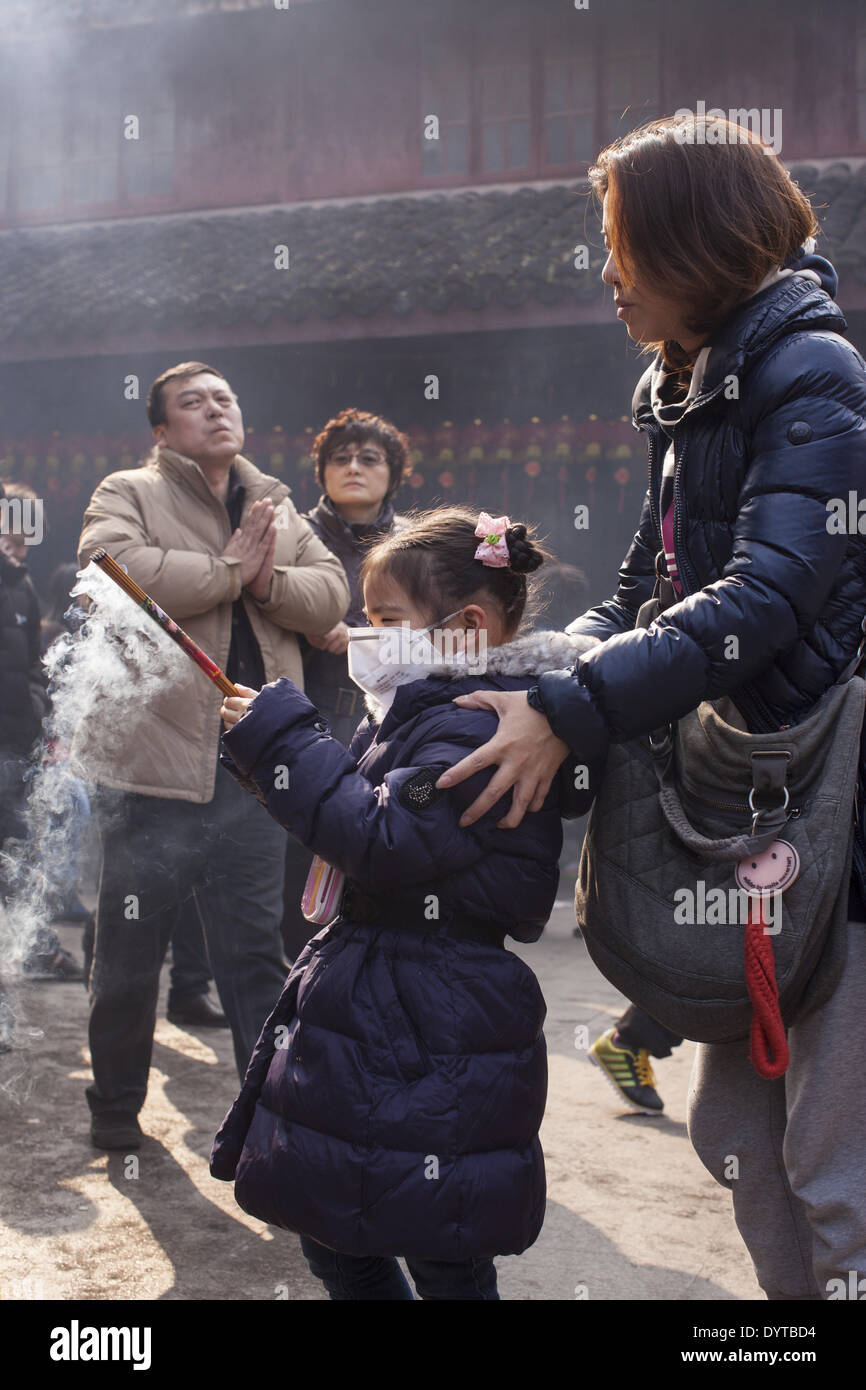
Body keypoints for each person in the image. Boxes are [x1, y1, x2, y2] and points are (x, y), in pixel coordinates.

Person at [434, 114, 866, 1300]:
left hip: (832, 807)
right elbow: (643, 587)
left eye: (620, 241)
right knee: (734, 1131)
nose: (608, 274)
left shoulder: (808, 369)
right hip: (752, 800)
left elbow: (767, 593)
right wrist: (530, 670)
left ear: (696, 238)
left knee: (833, 1163)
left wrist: (571, 707)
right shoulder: (685, 383)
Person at [209, 505, 602, 1300]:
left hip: (436, 1010)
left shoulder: (477, 723)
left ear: (467, 626)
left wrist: (286, 742)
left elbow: (385, 841)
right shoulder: (422, 708)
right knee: (331, 1222)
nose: (365, 632)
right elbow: (348, 812)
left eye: (387, 618)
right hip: (380, 983)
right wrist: (270, 755)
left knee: (438, 1239)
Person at [76, 362, 350, 1151]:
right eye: (191, 403)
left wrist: (262, 583)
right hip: (153, 767)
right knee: (130, 957)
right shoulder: (127, 491)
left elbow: (328, 594)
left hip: (255, 774)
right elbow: (111, 576)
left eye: (224, 397)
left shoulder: (276, 504)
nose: (214, 410)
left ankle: (266, 1119)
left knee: (255, 959)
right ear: (161, 431)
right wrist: (233, 568)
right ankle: (115, 1110)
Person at [281, 407, 413, 960]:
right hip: (305, 705)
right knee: (293, 842)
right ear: (322, 473)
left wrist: (359, 636)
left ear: (393, 473)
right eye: (341, 459)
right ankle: (291, 966)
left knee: (374, 834)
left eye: (369, 458)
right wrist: (312, 618)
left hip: (390, 712)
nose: (354, 467)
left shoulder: (414, 542)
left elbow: (435, 622)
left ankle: (351, 962)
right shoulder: (295, 534)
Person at [0, 482, 81, 982]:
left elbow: (32, 666)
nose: (19, 540)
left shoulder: (22, 584)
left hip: (14, 743)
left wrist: (39, 720)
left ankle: (32, 948)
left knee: (19, 844)